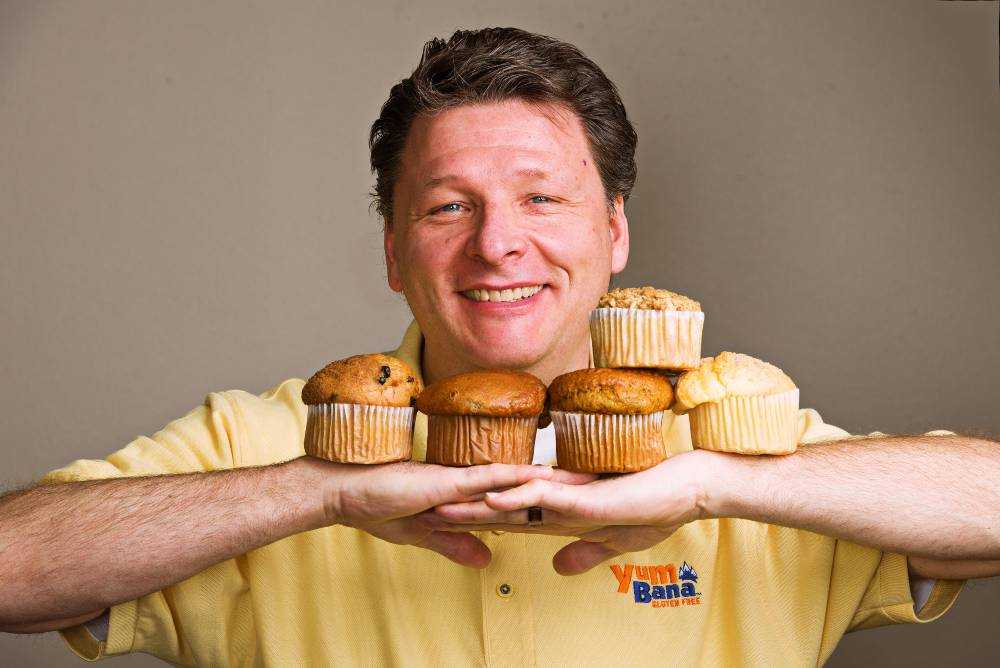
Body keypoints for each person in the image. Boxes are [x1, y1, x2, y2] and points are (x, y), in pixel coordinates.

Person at [1, 26, 998, 666]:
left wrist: (713, 484)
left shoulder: (739, 437)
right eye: (449, 206)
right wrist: (320, 491)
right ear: (394, 250)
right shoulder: (262, 441)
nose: (497, 244)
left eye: (541, 198)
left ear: (615, 232)